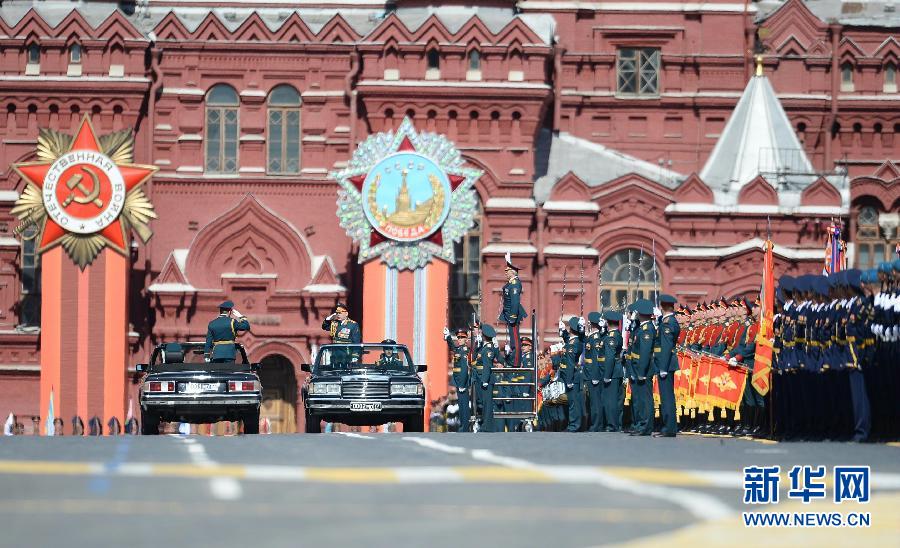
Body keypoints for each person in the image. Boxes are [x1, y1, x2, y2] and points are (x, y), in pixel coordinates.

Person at [628, 299, 656, 436]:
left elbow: (645, 353)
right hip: (637, 367)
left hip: (643, 368)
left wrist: (641, 371)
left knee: (645, 399)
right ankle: (640, 424)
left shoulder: (647, 329)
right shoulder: (640, 327)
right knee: (638, 398)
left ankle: (645, 426)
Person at [653, 294, 679, 437]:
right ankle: (668, 426)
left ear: (663, 306)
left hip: (666, 364)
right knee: (666, 396)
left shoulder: (669, 322)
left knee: (667, 397)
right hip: (666, 363)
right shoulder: (667, 321)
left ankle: (669, 428)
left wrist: (663, 367)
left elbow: (666, 346)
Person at [499, 252, 528, 367]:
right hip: (508, 314)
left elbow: (515, 302)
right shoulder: (510, 283)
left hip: (512, 316)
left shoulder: (515, 284)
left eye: (507, 271)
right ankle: (512, 358)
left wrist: (512, 317)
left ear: (512, 272)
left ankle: (515, 361)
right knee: (512, 339)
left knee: (515, 339)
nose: (505, 273)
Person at [599, 310, 625, 432]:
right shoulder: (617, 335)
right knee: (616, 399)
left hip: (612, 371)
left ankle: (612, 425)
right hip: (617, 370)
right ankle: (617, 424)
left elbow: (609, 357)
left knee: (610, 400)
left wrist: (607, 375)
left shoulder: (611, 337)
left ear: (608, 323)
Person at [559, 315, 585, 432]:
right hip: (570, 374)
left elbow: (569, 362)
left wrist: (569, 379)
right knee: (571, 401)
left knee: (574, 402)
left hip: (572, 375)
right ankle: (572, 423)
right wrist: (563, 331)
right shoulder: (574, 340)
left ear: (571, 329)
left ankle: (574, 425)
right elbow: (567, 340)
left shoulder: (574, 343)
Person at [444, 327, 471, 432]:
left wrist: (462, 385)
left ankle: (465, 427)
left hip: (462, 383)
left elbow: (464, 369)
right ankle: (463, 426)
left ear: (466, 339)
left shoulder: (464, 351)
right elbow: (452, 347)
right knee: (461, 404)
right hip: (458, 381)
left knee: (464, 405)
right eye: (458, 337)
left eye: (462, 338)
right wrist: (448, 337)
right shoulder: (459, 349)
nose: (459, 339)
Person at [584, 311, 605, 432]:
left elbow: (597, 358)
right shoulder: (591, 337)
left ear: (591, 323)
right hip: (590, 373)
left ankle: (597, 424)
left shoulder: (596, 338)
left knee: (596, 401)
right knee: (593, 401)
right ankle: (595, 423)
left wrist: (595, 375)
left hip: (594, 374)